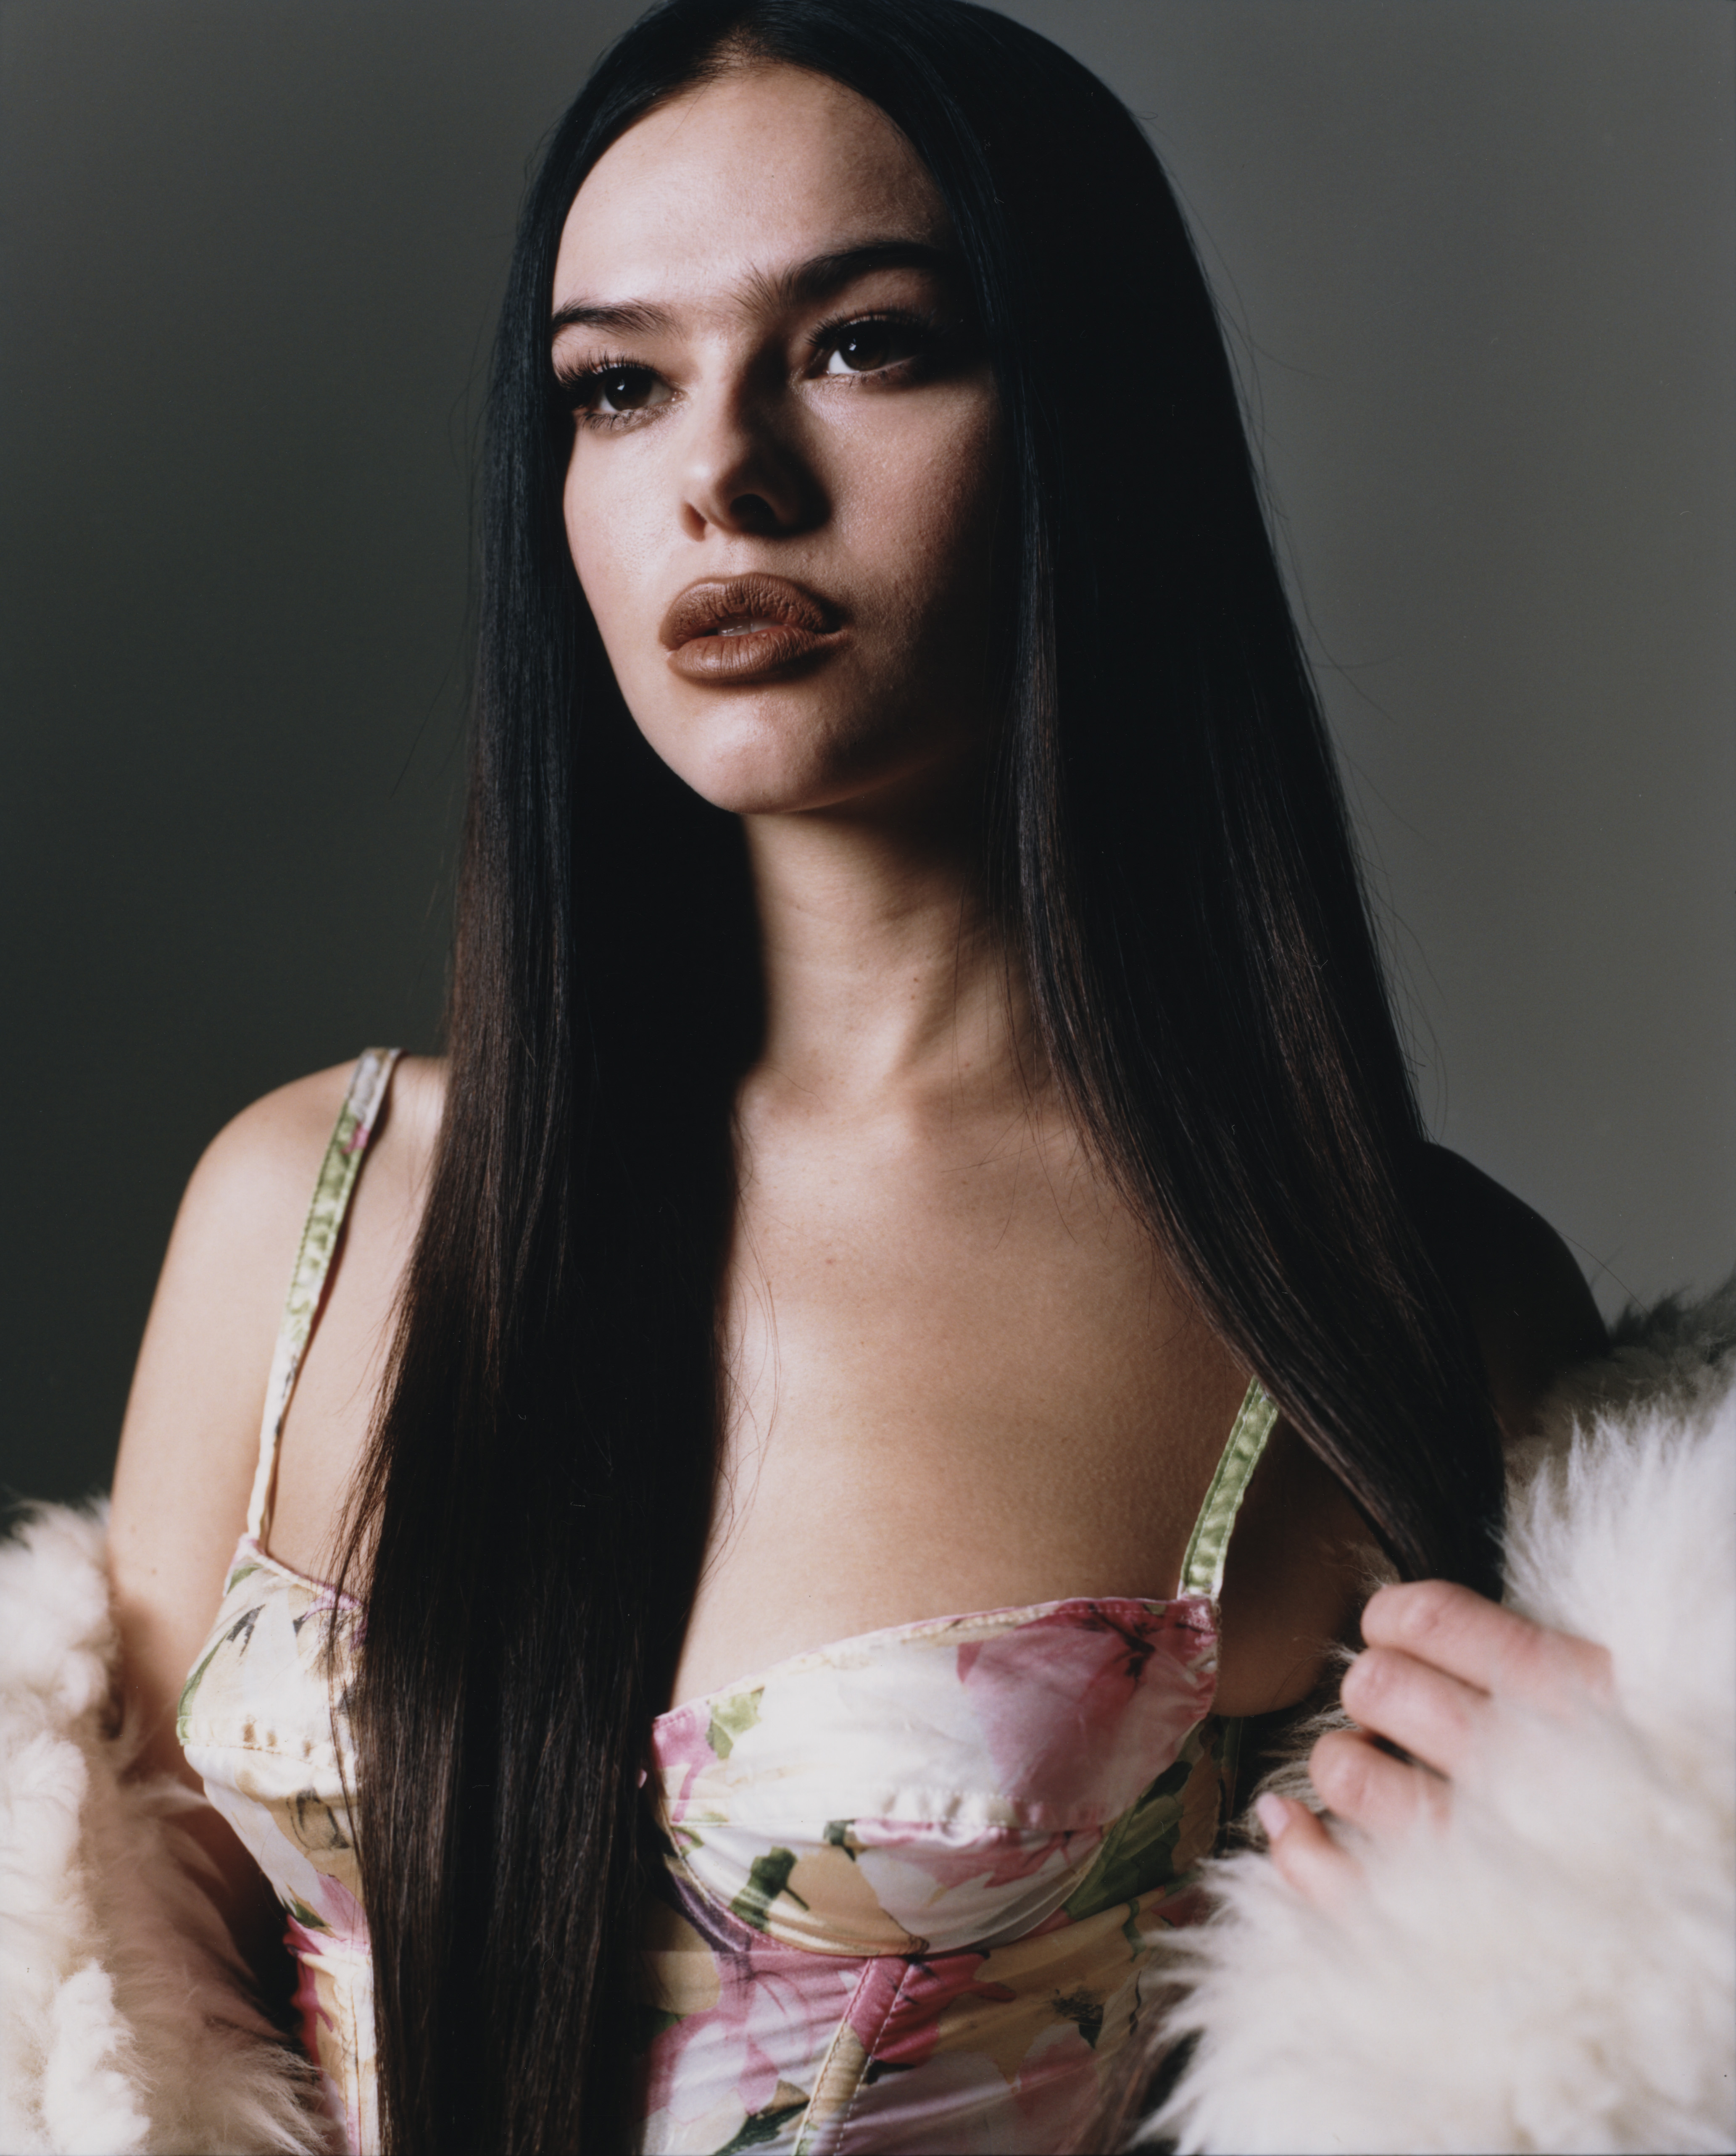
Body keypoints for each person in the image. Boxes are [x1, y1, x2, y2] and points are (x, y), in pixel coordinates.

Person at [101, 3, 1613, 2151]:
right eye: (617, 385)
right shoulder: (306, 1210)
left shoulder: (1393, 1301)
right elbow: (87, 2032)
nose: (722, 473)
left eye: (860, 345)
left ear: (1088, 417)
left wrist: (1642, 1884)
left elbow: (1541, 2053)